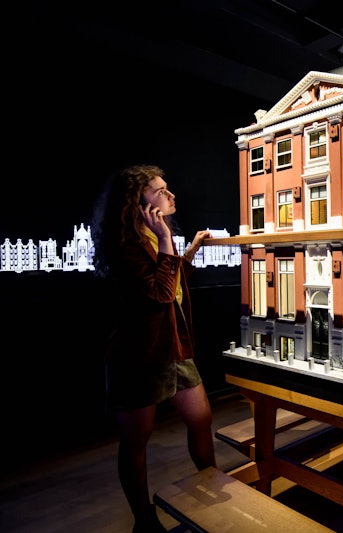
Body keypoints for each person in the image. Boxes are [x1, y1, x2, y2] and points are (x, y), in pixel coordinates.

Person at [91, 164, 216, 532]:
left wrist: (187, 252)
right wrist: (165, 239)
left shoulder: (154, 235)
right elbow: (161, 294)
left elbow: (170, 282)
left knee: (201, 419)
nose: (171, 195)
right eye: (161, 191)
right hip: (138, 354)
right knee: (136, 441)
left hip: (172, 344)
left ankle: (212, 487)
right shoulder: (125, 244)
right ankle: (143, 519)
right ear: (139, 202)